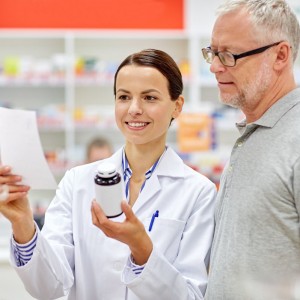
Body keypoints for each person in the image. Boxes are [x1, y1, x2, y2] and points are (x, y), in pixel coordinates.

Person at [0, 49, 216, 299]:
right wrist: (23, 223)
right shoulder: (77, 182)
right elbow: (49, 287)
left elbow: (191, 296)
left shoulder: (198, 192)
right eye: (124, 97)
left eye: (149, 97)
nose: (134, 109)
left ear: (177, 106)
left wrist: (142, 250)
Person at [201, 1, 300, 299]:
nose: (215, 66)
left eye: (229, 55)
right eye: (213, 53)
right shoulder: (252, 134)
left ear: (280, 55)